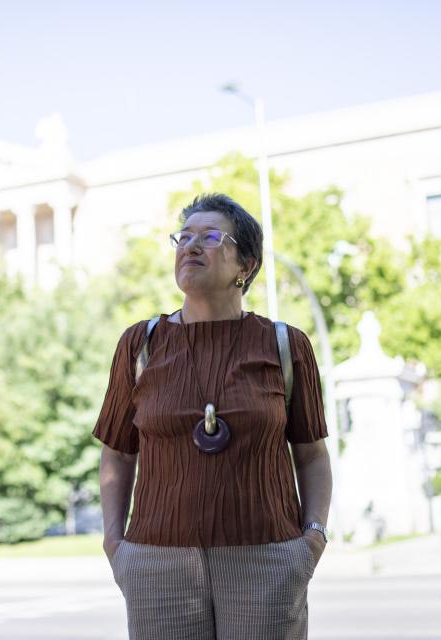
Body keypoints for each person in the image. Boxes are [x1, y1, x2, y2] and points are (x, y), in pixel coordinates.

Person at [94, 193, 332, 640]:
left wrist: (312, 538)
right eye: (183, 237)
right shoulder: (139, 345)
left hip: (269, 561)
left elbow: (313, 455)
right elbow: (118, 456)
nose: (190, 246)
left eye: (209, 236)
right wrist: (115, 544)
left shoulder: (285, 345)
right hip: (156, 563)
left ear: (246, 265)